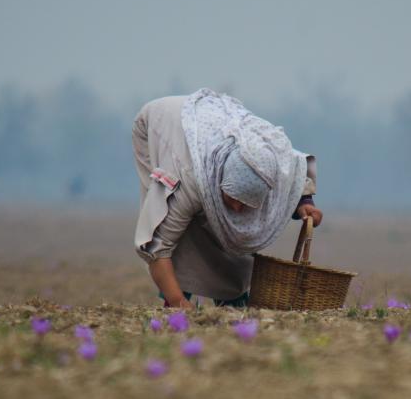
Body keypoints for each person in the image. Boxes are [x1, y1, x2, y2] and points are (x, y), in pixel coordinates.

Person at [132, 88, 322, 310]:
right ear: (220, 182)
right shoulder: (188, 179)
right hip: (161, 127)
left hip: (210, 118)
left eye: (246, 203)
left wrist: (304, 203)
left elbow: (298, 166)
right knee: (183, 229)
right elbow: (156, 247)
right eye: (233, 198)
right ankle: (176, 297)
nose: (237, 207)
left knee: (232, 229)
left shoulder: (267, 159)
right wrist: (177, 302)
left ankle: (232, 300)